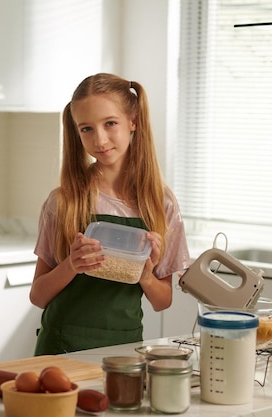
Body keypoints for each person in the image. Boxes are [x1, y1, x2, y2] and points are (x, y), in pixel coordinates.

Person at [30, 73, 191, 355]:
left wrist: (145, 275)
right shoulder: (63, 202)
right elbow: (38, 296)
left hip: (125, 348)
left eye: (110, 123)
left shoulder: (160, 203)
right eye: (86, 129)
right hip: (62, 347)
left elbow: (162, 301)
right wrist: (72, 264)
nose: (100, 139)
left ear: (133, 122)